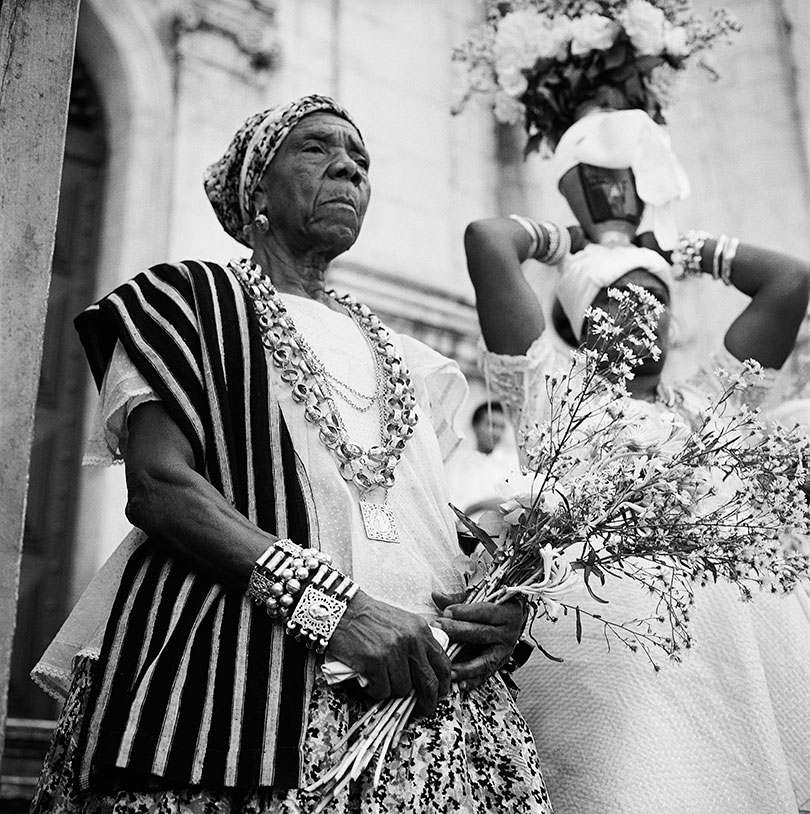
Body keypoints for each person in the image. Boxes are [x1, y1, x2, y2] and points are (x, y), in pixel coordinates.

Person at [29, 95, 552, 814]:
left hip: (424, 695)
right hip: (238, 681)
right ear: (257, 192)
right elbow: (159, 486)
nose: (348, 168)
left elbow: (428, 522)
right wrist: (336, 613)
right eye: (316, 148)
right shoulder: (190, 305)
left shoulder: (414, 363)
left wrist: (496, 607)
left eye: (361, 159)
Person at [464, 212, 810, 813]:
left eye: (658, 298)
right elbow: (488, 241)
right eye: (622, 295)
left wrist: (678, 248)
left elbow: (791, 279)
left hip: (719, 661)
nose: (646, 310)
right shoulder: (551, 396)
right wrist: (566, 242)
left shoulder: (709, 407)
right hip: (601, 659)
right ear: (584, 319)